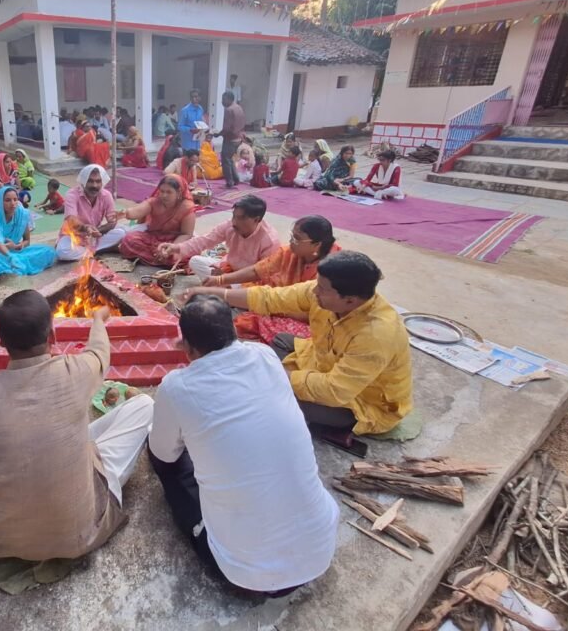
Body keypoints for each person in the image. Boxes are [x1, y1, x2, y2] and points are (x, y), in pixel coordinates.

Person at [148, 295, 338, 595]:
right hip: (320, 549)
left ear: (186, 345)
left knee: (164, 460)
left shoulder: (176, 386)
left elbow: (163, 453)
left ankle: (203, 530)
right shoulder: (266, 355)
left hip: (246, 575)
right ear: (234, 329)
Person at [0, 292, 154, 562]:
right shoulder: (76, 371)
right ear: (52, 336)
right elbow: (99, 351)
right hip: (79, 534)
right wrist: (98, 319)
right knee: (144, 405)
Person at [184, 251, 412, 434]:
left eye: (322, 289)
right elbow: (269, 298)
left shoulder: (377, 334)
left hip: (358, 402)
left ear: (350, 300)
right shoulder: (324, 293)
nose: (314, 291)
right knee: (282, 341)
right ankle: (271, 381)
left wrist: (274, 372)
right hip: (318, 362)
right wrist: (213, 293)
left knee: (275, 399)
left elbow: (335, 390)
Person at [214, 216, 341, 343]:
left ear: (317, 244)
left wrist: (273, 308)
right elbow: (258, 270)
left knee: (270, 328)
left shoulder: (330, 271)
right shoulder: (289, 252)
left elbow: (314, 314)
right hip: (276, 300)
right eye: (292, 236)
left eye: (297, 239)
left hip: (309, 321)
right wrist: (221, 279)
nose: (291, 241)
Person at [157, 195, 278, 281]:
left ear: (256, 220)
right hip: (229, 268)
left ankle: (226, 291)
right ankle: (225, 291)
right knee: (195, 261)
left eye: (241, 218)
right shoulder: (230, 226)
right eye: (234, 216)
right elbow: (205, 240)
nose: (234, 222)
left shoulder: (269, 241)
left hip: (249, 280)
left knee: (239, 290)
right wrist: (175, 248)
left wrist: (225, 277)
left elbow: (260, 274)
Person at [0, 186, 57, 276]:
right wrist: (11, 257)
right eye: (8, 200)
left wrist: (16, 246)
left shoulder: (21, 214)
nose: (13, 203)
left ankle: (15, 264)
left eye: (15, 199)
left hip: (14, 252)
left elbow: (27, 241)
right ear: (0, 202)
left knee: (48, 251)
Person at [118, 175, 196, 267]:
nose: (164, 195)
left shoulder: (187, 208)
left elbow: (186, 234)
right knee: (129, 239)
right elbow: (138, 211)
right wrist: (125, 213)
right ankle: (159, 259)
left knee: (182, 254)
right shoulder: (154, 202)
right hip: (153, 237)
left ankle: (153, 258)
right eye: (162, 191)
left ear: (179, 192)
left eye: (169, 192)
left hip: (176, 240)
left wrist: (171, 248)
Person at [57, 164, 127, 261]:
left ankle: (88, 251)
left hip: (94, 237)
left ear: (102, 182)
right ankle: (98, 250)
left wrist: (97, 230)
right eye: (90, 181)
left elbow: (112, 222)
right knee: (62, 251)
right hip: (73, 236)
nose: (94, 185)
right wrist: (86, 228)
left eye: (98, 181)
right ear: (83, 181)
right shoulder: (72, 194)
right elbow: (71, 220)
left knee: (121, 232)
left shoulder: (106, 195)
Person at [219, 91, 246, 189]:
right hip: (238, 138)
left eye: (223, 99)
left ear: (229, 99)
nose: (222, 102)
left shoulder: (229, 110)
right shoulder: (239, 107)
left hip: (230, 139)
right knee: (230, 159)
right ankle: (236, 179)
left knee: (226, 160)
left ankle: (229, 182)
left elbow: (227, 128)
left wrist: (218, 134)